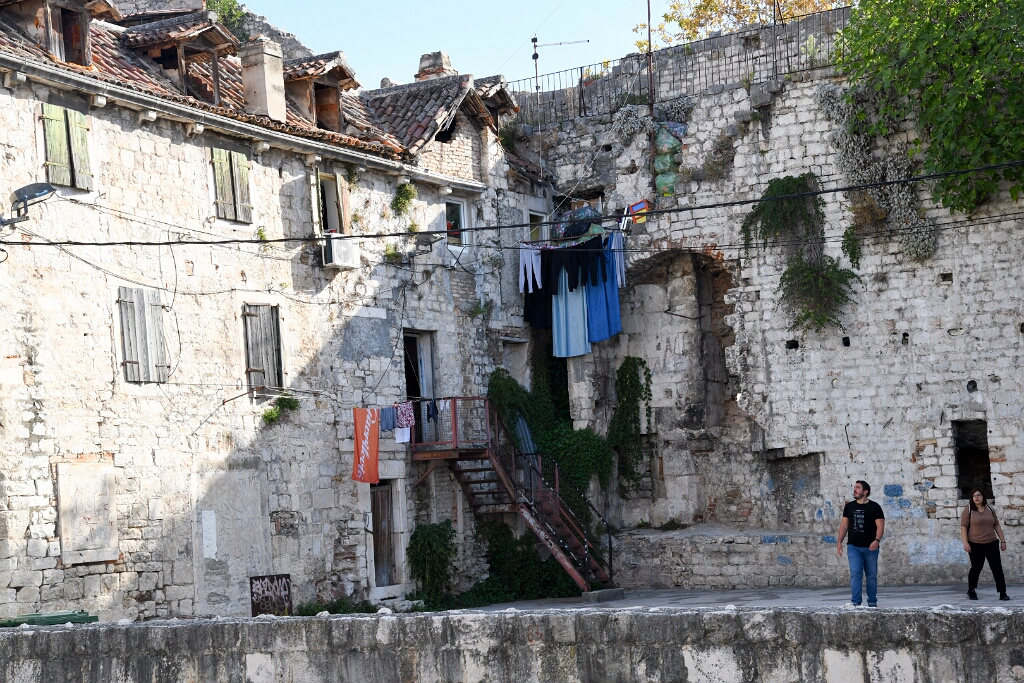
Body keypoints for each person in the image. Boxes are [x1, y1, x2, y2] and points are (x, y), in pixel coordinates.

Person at [836, 480, 885, 607]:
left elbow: (880, 526)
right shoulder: (849, 507)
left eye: (858, 487)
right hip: (854, 547)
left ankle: (872, 602)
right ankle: (856, 602)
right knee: (855, 574)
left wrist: (877, 540)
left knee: (871, 576)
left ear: (865, 491)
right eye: (854, 487)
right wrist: (839, 542)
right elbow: (844, 525)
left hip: (871, 547)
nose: (855, 490)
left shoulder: (875, 507)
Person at [960, 488, 1010, 601]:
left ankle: (1002, 592)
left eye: (979, 495)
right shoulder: (968, 510)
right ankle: (971, 590)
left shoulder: (990, 509)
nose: (976, 497)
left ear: (983, 497)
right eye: (974, 496)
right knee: (976, 568)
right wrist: (965, 542)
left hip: (991, 543)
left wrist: (1003, 541)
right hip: (975, 543)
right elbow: (963, 527)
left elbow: (996, 525)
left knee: (997, 568)